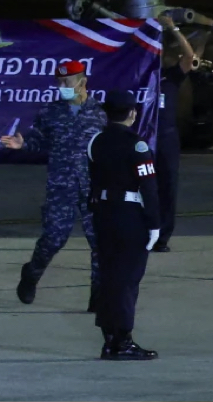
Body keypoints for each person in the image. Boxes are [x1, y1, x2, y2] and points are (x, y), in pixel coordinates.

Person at [0, 59, 106, 309]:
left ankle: (99, 297)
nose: (62, 86)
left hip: (92, 188)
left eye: (66, 81)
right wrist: (22, 145)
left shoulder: (99, 114)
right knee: (53, 239)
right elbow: (39, 142)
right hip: (61, 186)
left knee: (100, 243)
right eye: (58, 82)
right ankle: (31, 274)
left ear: (82, 81)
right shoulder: (50, 112)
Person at [88, 97, 161, 360]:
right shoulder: (137, 145)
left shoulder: (96, 141)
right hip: (130, 215)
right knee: (127, 280)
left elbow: (93, 180)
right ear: (131, 113)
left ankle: (109, 339)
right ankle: (123, 341)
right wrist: (154, 223)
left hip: (104, 214)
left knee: (109, 277)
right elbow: (149, 187)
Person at [154, 10, 213, 252]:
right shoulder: (137, 78)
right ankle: (140, 233)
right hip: (142, 138)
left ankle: (162, 237)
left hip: (166, 138)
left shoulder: (169, 78)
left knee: (167, 187)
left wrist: (174, 29)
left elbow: (189, 58)